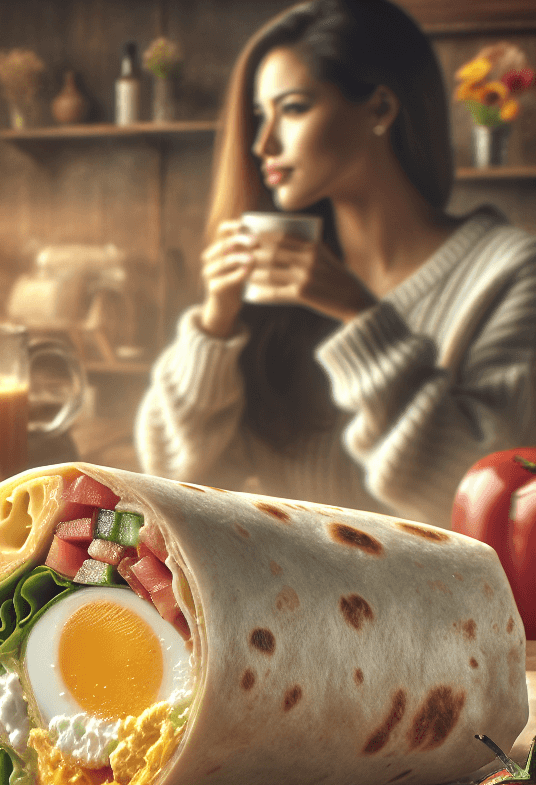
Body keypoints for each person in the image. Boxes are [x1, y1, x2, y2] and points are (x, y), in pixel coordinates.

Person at [135, 0, 536, 528]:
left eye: (294, 108)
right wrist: (214, 325)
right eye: (261, 115)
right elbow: (166, 473)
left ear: (379, 109)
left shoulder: (508, 272)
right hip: (277, 595)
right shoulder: (274, 294)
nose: (262, 144)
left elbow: (485, 504)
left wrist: (361, 317)